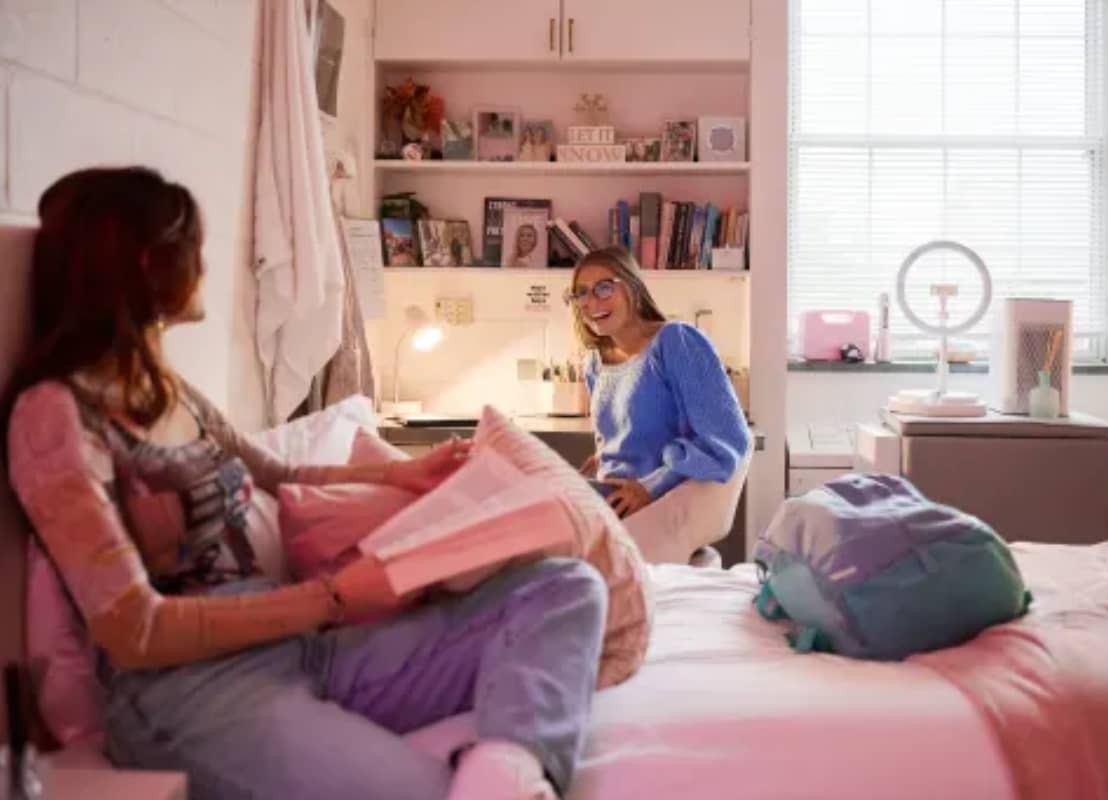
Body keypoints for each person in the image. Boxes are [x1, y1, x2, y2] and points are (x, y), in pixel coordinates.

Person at [5, 166, 607, 800]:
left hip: (306, 645)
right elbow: (133, 628)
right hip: (190, 687)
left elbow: (278, 472)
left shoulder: (166, 387)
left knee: (564, 587)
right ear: (146, 265)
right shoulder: (53, 414)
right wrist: (334, 597)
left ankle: (507, 768)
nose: (205, 265)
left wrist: (396, 472)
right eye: (194, 250)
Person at [566, 246, 750, 523]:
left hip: (652, 506)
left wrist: (650, 487)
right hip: (609, 500)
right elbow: (621, 441)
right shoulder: (594, 363)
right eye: (581, 292)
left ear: (632, 287)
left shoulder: (676, 341)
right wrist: (596, 464)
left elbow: (729, 438)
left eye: (604, 288)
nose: (591, 302)